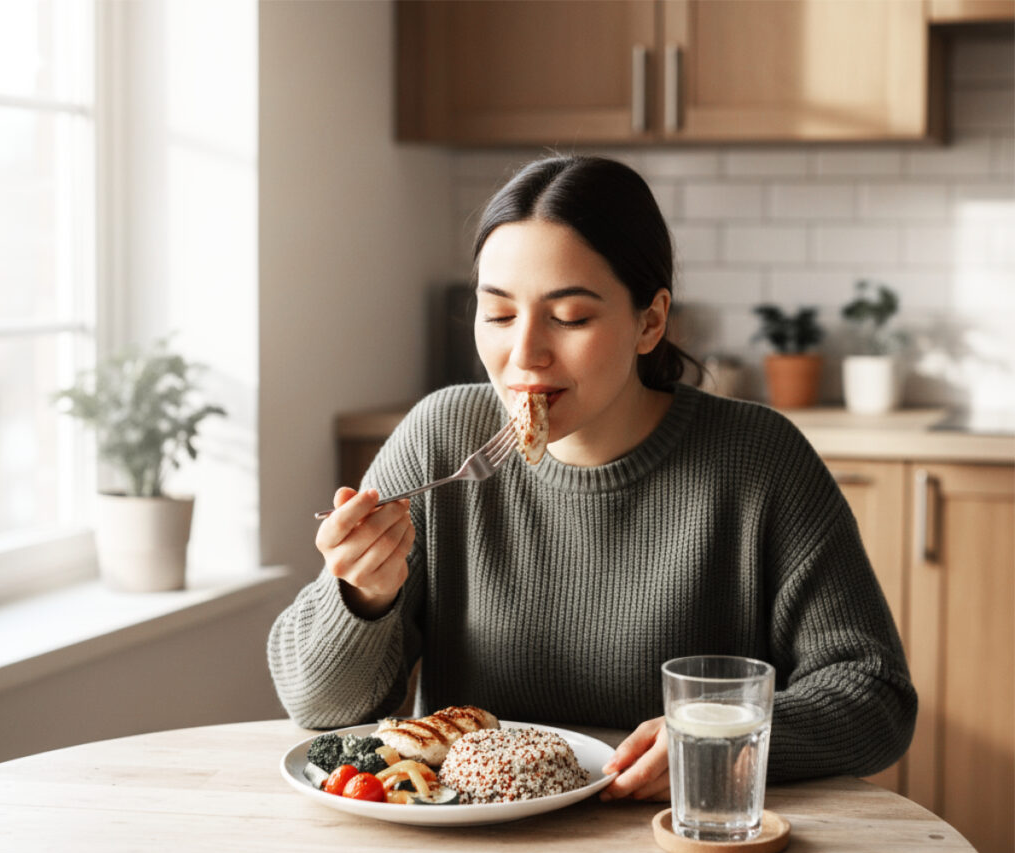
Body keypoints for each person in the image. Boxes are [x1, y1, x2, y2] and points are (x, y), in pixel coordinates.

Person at [267, 154, 916, 801]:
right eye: (497, 315)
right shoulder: (442, 439)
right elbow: (318, 707)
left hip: (682, 849)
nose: (524, 355)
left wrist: (723, 734)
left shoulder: (758, 459)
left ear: (651, 322)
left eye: (570, 317)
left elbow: (875, 695)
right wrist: (360, 595)